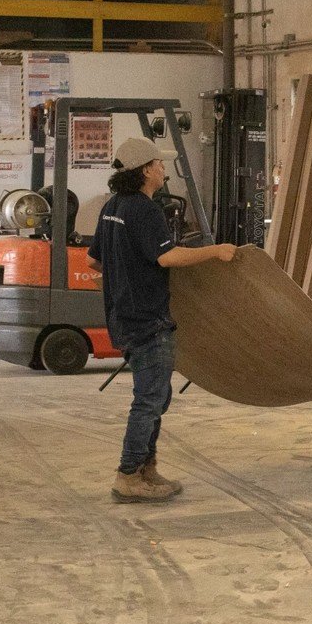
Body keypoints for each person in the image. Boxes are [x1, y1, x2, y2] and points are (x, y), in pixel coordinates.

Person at [87, 136, 236, 503]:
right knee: (150, 399)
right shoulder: (144, 210)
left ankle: (146, 468)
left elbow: (94, 261)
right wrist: (215, 251)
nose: (163, 170)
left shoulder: (112, 207)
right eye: (159, 164)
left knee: (156, 396)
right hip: (148, 317)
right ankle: (128, 474)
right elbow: (166, 258)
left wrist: (124, 271)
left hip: (123, 314)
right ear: (146, 170)